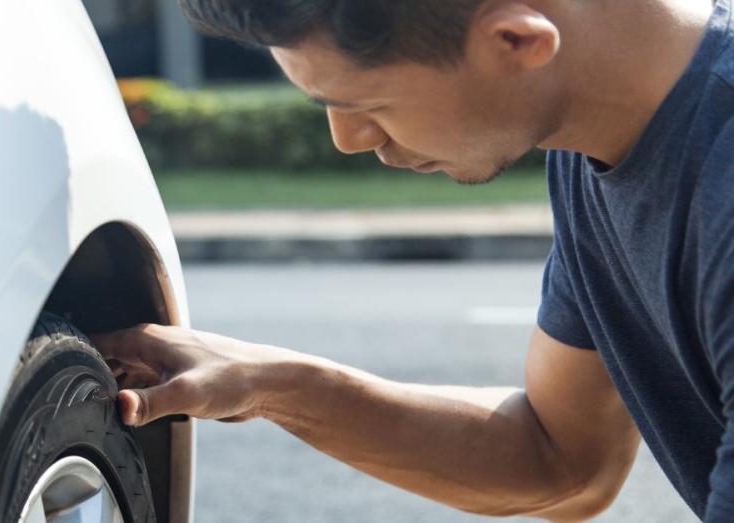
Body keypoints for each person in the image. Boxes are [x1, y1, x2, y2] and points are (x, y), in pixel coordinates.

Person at [92, 0, 734, 520]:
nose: (348, 141)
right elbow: (556, 460)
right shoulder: (600, 144)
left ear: (515, 41)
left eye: (367, 105)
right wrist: (268, 384)